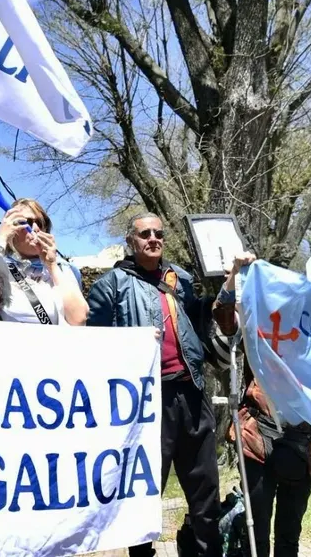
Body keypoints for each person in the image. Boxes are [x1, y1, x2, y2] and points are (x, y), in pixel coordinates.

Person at [211, 253, 311, 557]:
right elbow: (224, 315)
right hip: (257, 438)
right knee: (255, 528)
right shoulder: (260, 327)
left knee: (289, 532)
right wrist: (235, 274)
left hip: (304, 445)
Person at [86, 213, 225, 557]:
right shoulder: (111, 284)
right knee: (143, 494)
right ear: (131, 241)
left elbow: (199, 324)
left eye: (158, 233)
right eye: (144, 233)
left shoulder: (181, 280)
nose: (153, 239)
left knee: (205, 488)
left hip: (191, 393)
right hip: (144, 402)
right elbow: (93, 344)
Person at [0, 164, 87, 325]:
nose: (35, 228)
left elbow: (79, 318)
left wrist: (51, 265)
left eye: (41, 222)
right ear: (12, 228)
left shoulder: (62, 269)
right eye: (27, 222)